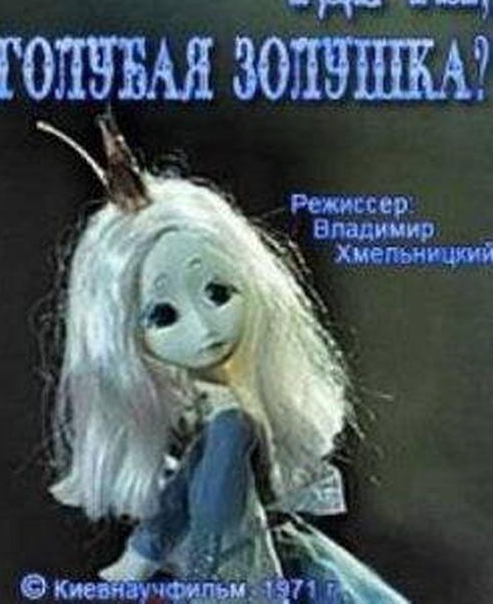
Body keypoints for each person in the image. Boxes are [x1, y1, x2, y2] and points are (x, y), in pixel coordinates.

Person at [43, 114, 410, 603]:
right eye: (164, 315)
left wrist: (190, 571)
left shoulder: (233, 420)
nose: (203, 329)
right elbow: (187, 497)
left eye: (218, 293)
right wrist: (148, 554)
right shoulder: (209, 416)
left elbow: (217, 520)